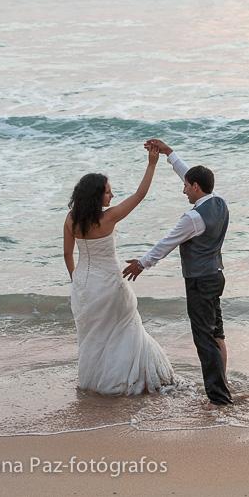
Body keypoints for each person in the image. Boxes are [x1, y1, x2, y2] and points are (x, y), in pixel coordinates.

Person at [122, 139, 232, 406]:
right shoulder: (219, 202)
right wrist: (169, 153)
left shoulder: (192, 218)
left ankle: (219, 398)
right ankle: (223, 385)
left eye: (186, 186)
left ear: (196, 187)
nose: (183, 190)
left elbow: (167, 243)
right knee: (216, 333)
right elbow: (188, 173)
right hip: (216, 275)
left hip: (199, 281)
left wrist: (142, 263)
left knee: (204, 339)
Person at [63, 144, 175, 396]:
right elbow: (139, 195)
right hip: (111, 285)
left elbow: (68, 254)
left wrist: (76, 278)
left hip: (85, 287)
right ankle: (128, 380)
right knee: (125, 331)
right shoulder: (108, 218)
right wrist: (152, 164)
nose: (111, 196)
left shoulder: (71, 219)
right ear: (96, 196)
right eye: (108, 192)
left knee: (94, 336)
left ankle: (96, 382)